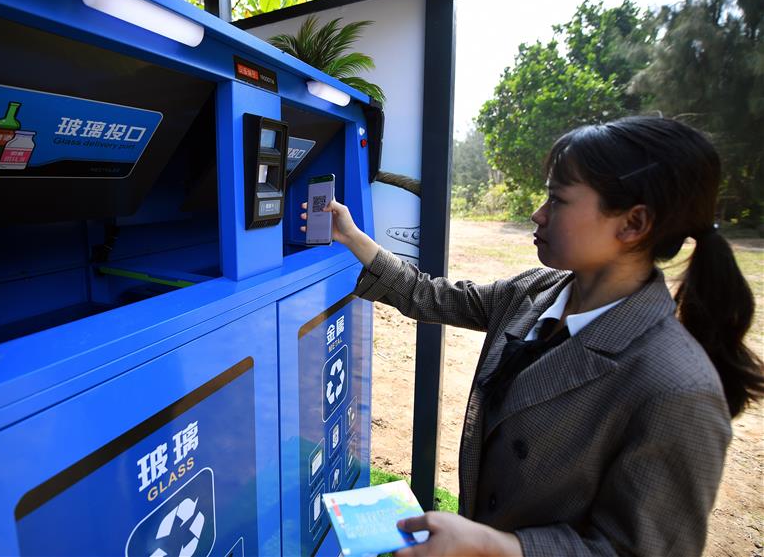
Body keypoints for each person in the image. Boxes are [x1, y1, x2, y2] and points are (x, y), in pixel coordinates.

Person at [301, 116, 764, 556]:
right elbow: (430, 295)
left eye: (558, 200)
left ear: (633, 224)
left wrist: (496, 547)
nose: (537, 214)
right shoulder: (537, 292)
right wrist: (353, 236)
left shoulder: (677, 387)